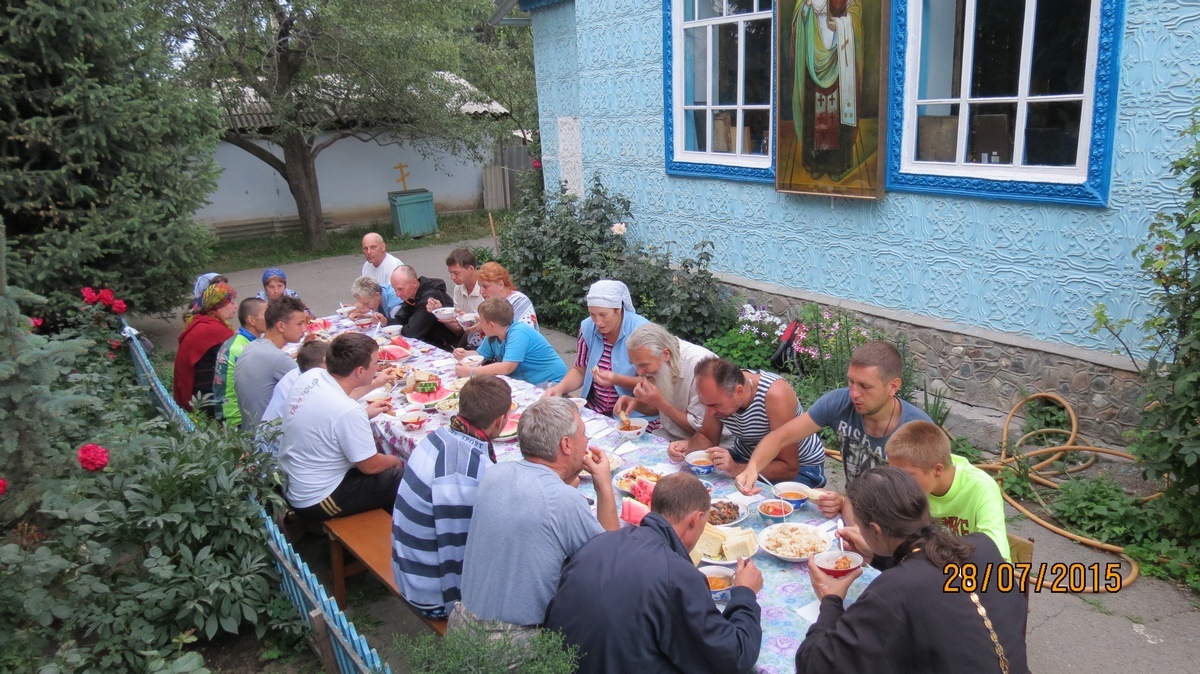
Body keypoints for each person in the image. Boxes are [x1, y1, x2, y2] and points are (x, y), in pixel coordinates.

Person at [795, 467, 1029, 673]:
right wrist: (879, 556)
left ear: (875, 530)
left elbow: (815, 664)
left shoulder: (892, 590)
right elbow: (934, 581)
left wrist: (831, 599)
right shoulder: (983, 545)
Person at [545, 473, 764, 674]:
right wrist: (745, 594)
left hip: (556, 663)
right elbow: (734, 657)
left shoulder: (596, 543)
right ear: (695, 520)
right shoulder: (677, 576)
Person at [452, 397, 619, 637]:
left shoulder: (494, 473)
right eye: (583, 434)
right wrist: (604, 486)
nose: (587, 441)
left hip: (461, 625)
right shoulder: (564, 501)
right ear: (566, 445)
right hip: (512, 643)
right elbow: (614, 561)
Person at [735, 341, 932, 515]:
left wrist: (846, 504)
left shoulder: (917, 429)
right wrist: (752, 469)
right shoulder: (838, 401)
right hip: (854, 509)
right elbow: (780, 437)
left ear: (893, 387)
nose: (854, 393)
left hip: (893, 521)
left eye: (865, 386)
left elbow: (916, 504)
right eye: (851, 382)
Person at [391, 375, 513, 619]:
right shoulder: (465, 473)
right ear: (500, 421)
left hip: (409, 571)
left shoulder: (435, 438)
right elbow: (457, 549)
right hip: (429, 595)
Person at [278, 333, 404, 521]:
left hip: (294, 478)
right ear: (360, 371)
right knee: (405, 479)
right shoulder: (348, 411)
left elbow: (331, 413)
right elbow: (370, 466)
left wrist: (364, 412)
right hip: (318, 498)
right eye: (376, 363)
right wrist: (394, 460)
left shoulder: (312, 376)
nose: (377, 367)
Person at [667, 357, 826, 487]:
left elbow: (789, 468)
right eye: (705, 404)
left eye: (715, 405)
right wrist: (687, 446)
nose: (710, 412)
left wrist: (736, 469)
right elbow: (708, 436)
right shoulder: (718, 394)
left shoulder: (775, 395)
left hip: (801, 467)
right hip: (746, 457)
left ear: (739, 391)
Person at [884, 421, 1011, 562]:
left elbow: (997, 556)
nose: (897, 482)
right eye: (893, 473)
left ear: (937, 470)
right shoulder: (913, 482)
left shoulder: (982, 488)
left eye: (907, 475)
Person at [542, 280, 648, 417]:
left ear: (618, 309)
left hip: (633, 415)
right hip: (595, 410)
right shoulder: (587, 327)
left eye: (603, 315)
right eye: (592, 314)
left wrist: (617, 379)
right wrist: (560, 388)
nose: (598, 322)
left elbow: (652, 383)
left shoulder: (641, 331)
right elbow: (580, 370)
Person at [792, 0, 865, 181]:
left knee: (837, 112)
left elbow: (856, 15)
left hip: (839, 55)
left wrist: (841, 25)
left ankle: (836, 166)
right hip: (813, 56)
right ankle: (816, 164)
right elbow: (800, 17)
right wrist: (806, 7)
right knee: (814, 112)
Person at [613, 322, 720, 441]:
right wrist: (636, 403)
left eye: (643, 365)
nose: (639, 372)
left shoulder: (700, 369)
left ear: (665, 354)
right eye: (634, 365)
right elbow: (660, 410)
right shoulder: (660, 364)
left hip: (707, 446)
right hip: (667, 438)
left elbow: (702, 433)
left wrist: (661, 403)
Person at [452, 298, 567, 387]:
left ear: (491, 325)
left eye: (481, 321)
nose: (480, 325)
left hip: (551, 379)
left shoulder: (518, 333)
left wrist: (472, 372)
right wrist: (465, 354)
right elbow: (481, 355)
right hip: (529, 380)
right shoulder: (493, 334)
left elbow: (507, 367)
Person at [234, 295, 307, 431]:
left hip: (248, 432)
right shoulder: (279, 359)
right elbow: (312, 393)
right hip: (268, 438)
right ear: (281, 326)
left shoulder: (252, 346)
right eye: (300, 324)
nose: (304, 329)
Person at [173, 282, 236, 412]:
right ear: (218, 306)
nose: (236, 306)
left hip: (191, 391)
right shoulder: (213, 329)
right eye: (231, 302)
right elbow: (235, 359)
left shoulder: (202, 321)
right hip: (203, 399)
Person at [212, 297, 267, 427]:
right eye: (266, 314)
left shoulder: (239, 339)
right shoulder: (243, 349)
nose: (271, 318)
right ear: (252, 320)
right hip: (236, 417)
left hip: (230, 410)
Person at [428, 248, 485, 347]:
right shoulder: (458, 288)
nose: (452, 277)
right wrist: (440, 312)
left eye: (456, 273)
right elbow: (458, 330)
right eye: (450, 273)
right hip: (470, 340)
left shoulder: (485, 289)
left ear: (471, 269)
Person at [390, 265, 456, 350]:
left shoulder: (430, 298)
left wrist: (397, 327)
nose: (397, 294)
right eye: (395, 290)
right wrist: (385, 321)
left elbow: (412, 332)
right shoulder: (411, 295)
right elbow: (400, 319)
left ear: (415, 283)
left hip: (448, 345)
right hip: (431, 342)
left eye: (400, 289)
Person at [475, 261, 538, 330]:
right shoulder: (488, 303)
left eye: (485, 286)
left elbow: (522, 332)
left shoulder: (519, 301)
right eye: (480, 286)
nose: (481, 291)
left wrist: (486, 326)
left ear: (500, 285)